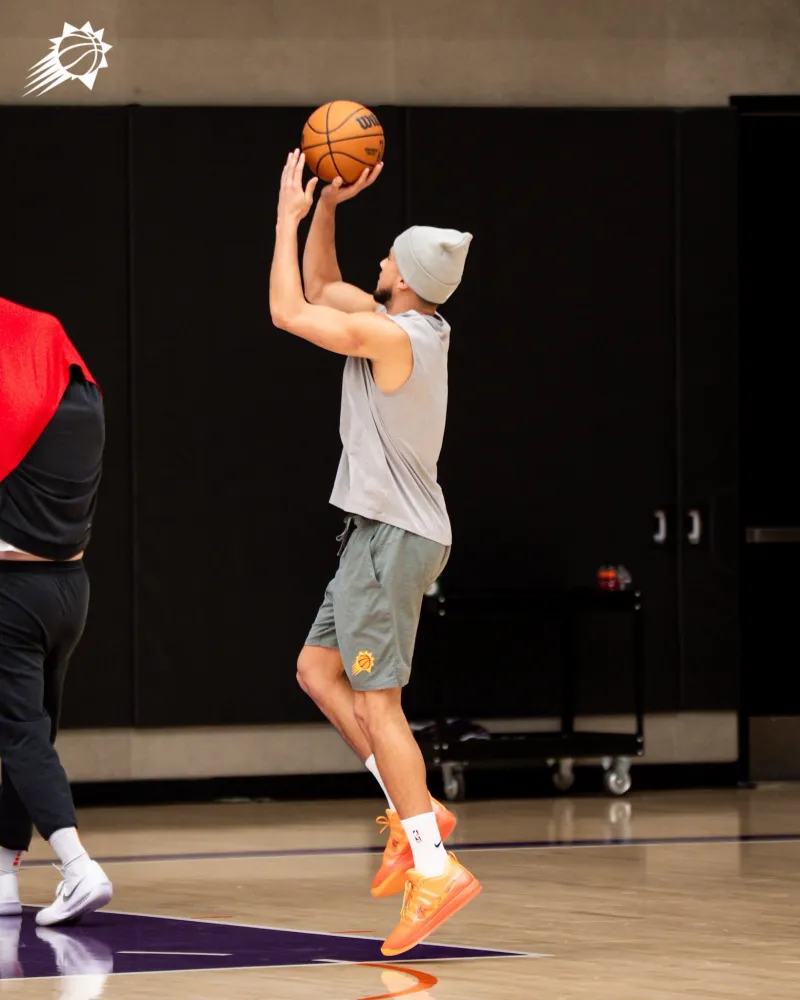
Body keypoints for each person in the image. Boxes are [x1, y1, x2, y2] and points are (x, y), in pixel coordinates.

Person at [269, 150, 480, 956]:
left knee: (378, 704)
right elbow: (324, 286)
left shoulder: (392, 339)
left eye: (390, 255)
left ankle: (434, 867)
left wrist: (286, 217)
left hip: (394, 537)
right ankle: (410, 806)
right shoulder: (412, 324)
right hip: (379, 533)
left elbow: (289, 310)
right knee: (316, 671)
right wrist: (326, 208)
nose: (379, 261)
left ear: (407, 278)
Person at [0, 295, 112, 926]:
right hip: (69, 589)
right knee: (32, 738)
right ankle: (3, 873)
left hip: (12, 592)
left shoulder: (16, 421)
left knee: (20, 735)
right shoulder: (81, 409)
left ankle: (77, 866)